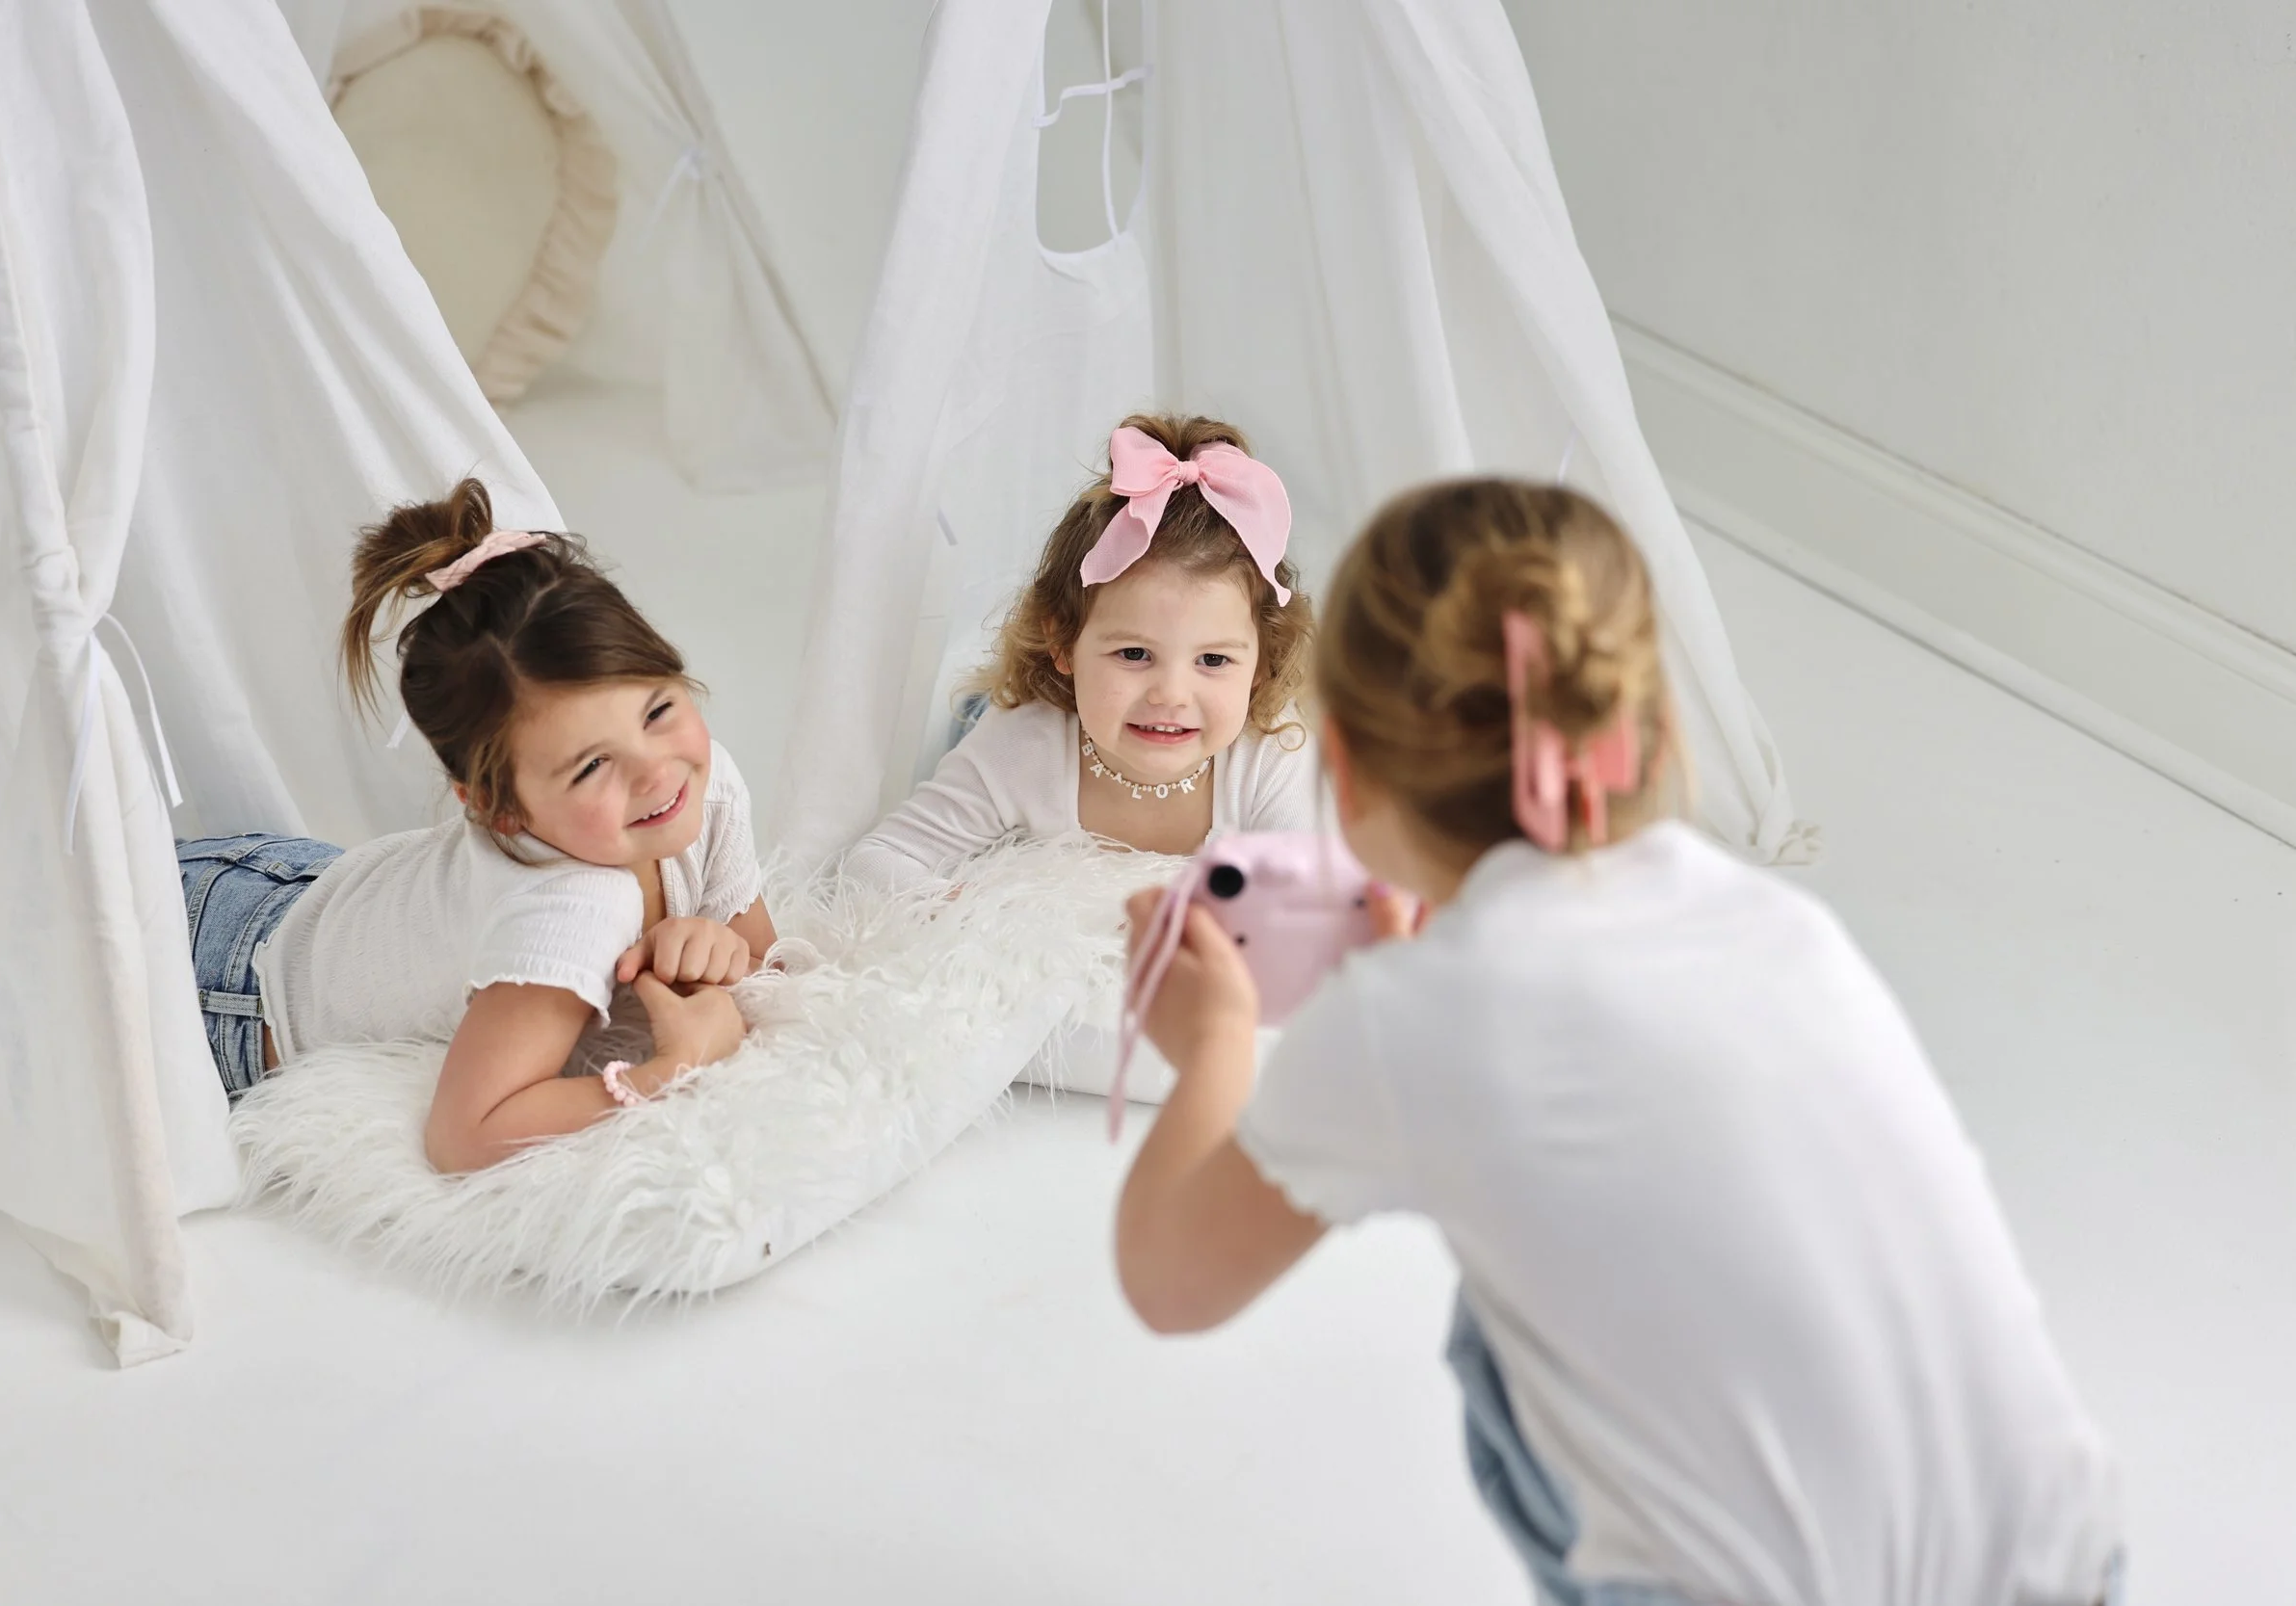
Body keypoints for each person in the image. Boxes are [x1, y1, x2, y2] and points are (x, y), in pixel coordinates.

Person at [1112, 478, 2124, 1605]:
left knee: (1494, 1332)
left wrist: (1217, 1039)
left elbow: (1168, 1280)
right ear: (1640, 729)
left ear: (1340, 764)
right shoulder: (1781, 928)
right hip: (2063, 1568)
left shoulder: (1406, 1024)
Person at [173, 479, 774, 1173]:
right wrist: (673, 1067)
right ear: (498, 808)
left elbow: (763, 962)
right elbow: (465, 1135)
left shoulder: (712, 785)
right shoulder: (572, 907)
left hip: (297, 881)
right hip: (227, 988)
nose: (655, 771)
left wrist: (715, 947)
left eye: (658, 709)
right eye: (590, 767)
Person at [846, 414, 1318, 885]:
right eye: (1134, 654)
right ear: (1062, 642)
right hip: (1015, 714)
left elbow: (1303, 899)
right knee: (972, 707)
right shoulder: (1021, 748)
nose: (1171, 695)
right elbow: (878, 859)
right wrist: (965, 915)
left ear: (1262, 663)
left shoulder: (1271, 754)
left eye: (1213, 660)